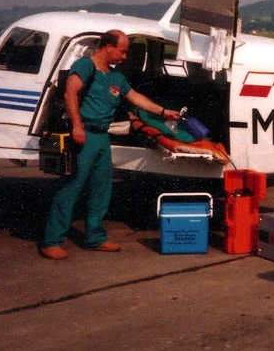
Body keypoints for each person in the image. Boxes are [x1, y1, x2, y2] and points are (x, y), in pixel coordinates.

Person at [40, 30, 180, 259]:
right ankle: (52, 240)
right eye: (122, 50)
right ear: (108, 47)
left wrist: (163, 112)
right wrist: (76, 125)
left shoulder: (115, 77)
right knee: (72, 186)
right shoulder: (86, 66)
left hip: (102, 137)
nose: (124, 56)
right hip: (84, 135)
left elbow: (135, 97)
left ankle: (95, 237)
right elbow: (70, 93)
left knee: (101, 188)